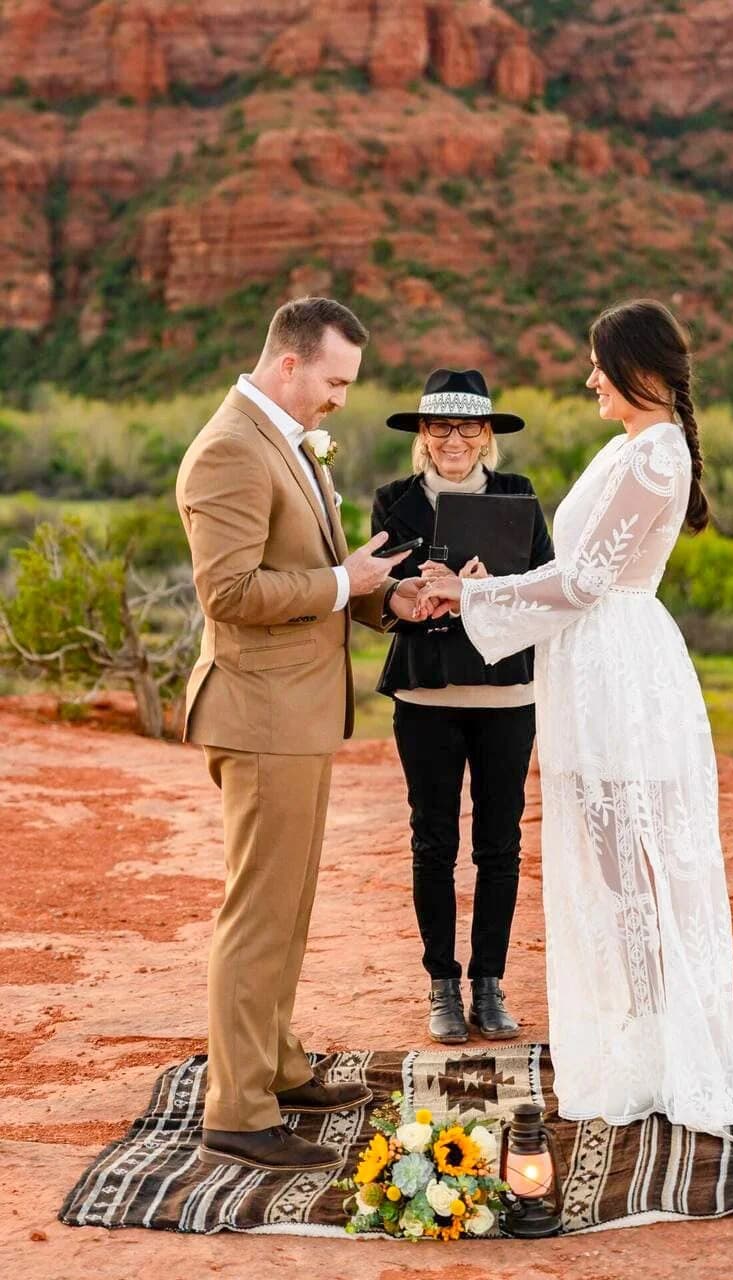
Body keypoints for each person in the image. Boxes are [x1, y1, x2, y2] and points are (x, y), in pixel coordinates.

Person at [416, 303, 733, 1135]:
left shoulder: (652, 458)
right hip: (590, 662)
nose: (588, 379)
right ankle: (639, 1047)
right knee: (614, 873)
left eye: (598, 365)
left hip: (618, 671)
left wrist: (473, 595)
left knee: (636, 868)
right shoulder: (629, 448)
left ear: (639, 369)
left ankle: (672, 1055)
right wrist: (490, 580)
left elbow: (579, 586)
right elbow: (566, 570)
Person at [176, 297, 423, 1174]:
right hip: (259, 714)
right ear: (290, 364)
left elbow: (317, 575)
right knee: (256, 912)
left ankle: (274, 1065)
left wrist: (387, 596)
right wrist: (336, 579)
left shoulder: (284, 440)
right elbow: (231, 594)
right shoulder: (229, 451)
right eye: (335, 381)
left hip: (299, 715)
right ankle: (237, 1109)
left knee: (289, 905)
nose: (341, 401)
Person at [372, 369, 553, 1045]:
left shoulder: (519, 500)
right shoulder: (393, 502)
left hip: (507, 692)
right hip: (425, 692)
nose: (454, 439)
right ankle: (442, 987)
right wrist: (421, 592)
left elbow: (545, 587)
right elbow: (383, 590)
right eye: (440, 426)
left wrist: (491, 590)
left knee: (499, 844)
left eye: (468, 427)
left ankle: (489, 983)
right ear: (422, 434)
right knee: (433, 841)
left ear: (487, 435)